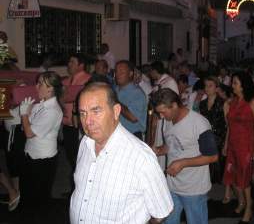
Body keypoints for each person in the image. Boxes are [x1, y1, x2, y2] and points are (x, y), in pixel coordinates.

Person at [70, 83, 173, 223]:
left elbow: (161, 211)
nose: (88, 121)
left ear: (116, 111)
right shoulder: (85, 142)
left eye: (96, 111)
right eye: (83, 113)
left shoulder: (141, 157)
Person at [152, 88, 218, 224]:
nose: (161, 117)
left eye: (163, 112)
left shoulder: (199, 123)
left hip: (193, 188)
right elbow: (172, 145)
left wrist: (182, 163)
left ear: (175, 105)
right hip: (171, 185)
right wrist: (158, 150)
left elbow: (212, 156)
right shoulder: (168, 120)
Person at [19, 72, 64, 213]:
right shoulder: (41, 105)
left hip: (43, 160)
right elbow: (24, 126)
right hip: (31, 155)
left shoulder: (53, 110)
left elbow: (29, 133)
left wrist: (24, 114)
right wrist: (26, 114)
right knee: (27, 195)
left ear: (50, 88)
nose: (36, 86)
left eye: (40, 84)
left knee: (39, 202)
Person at [223, 71, 254, 223]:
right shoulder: (233, 101)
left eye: (235, 83)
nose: (232, 85)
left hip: (246, 145)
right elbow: (230, 126)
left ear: (243, 85)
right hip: (233, 144)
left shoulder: (252, 102)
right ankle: (242, 202)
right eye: (232, 82)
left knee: (244, 178)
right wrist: (226, 143)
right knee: (232, 176)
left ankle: (249, 207)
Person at [62, 53, 91, 171]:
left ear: (81, 65)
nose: (69, 65)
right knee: (71, 156)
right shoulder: (66, 81)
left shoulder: (88, 79)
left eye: (72, 62)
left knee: (81, 159)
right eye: (69, 62)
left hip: (80, 126)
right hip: (66, 124)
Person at [200, 76, 227, 184]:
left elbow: (228, 124)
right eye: (206, 86)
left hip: (219, 138)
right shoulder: (202, 104)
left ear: (216, 88)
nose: (207, 88)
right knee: (207, 165)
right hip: (206, 137)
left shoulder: (223, 103)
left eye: (210, 86)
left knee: (218, 166)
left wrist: (226, 142)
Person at [114, 60, 147, 140]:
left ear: (130, 74)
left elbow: (133, 117)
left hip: (132, 136)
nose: (118, 75)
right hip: (117, 134)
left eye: (122, 72)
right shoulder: (116, 89)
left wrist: (115, 101)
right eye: (116, 72)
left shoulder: (137, 93)